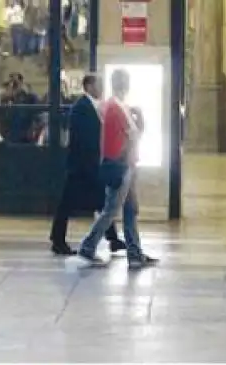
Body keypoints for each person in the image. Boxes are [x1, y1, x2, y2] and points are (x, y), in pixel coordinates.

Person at [67, 69, 159, 270]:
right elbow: (133, 134)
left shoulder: (116, 106)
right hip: (121, 164)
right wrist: (140, 120)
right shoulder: (116, 107)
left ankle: (134, 253)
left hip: (125, 163)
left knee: (129, 211)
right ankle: (87, 247)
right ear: (124, 83)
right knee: (111, 210)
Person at [49, 75, 126, 256]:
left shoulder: (95, 106)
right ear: (89, 86)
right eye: (98, 84)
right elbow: (82, 138)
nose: (101, 88)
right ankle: (57, 240)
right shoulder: (81, 108)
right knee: (68, 204)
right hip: (81, 166)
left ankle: (113, 239)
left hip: (90, 165)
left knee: (101, 202)